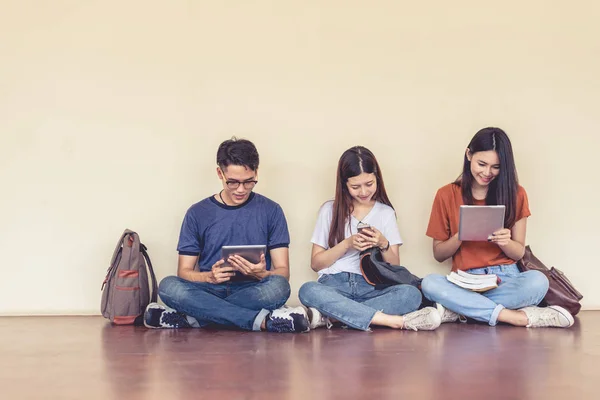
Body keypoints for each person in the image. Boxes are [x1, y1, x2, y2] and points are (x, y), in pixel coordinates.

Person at [144, 137, 309, 333]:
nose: (241, 189)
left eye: (249, 182)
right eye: (232, 182)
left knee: (279, 287)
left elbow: (283, 272)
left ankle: (195, 318)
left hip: (252, 289)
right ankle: (261, 321)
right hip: (208, 289)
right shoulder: (197, 213)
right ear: (219, 173)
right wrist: (209, 278)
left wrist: (262, 273)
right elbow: (184, 272)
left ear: (256, 172)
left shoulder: (271, 210)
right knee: (169, 286)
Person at [421, 127, 574, 328]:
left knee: (538, 281)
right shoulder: (446, 194)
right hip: (466, 281)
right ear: (469, 155)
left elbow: (518, 252)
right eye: (481, 164)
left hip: (506, 278)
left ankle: (461, 310)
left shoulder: (517, 194)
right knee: (429, 283)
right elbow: (439, 254)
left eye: (496, 167)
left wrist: (506, 241)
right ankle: (517, 317)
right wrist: (460, 235)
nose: (487, 172)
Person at [298, 146, 441, 331]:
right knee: (307, 290)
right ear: (344, 185)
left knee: (411, 294)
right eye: (355, 187)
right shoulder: (329, 210)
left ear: (377, 179)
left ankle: (334, 318)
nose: (364, 192)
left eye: (369, 184)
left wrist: (383, 243)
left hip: (371, 287)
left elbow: (395, 264)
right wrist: (347, 244)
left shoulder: (385, 213)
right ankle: (393, 321)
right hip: (334, 285)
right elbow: (316, 264)